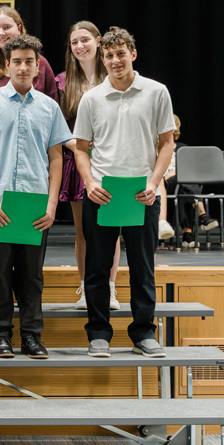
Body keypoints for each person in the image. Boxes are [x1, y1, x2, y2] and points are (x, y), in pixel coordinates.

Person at [0, 35, 71, 360]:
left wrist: (52, 204)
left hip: (36, 204)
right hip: (0, 204)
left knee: (32, 275)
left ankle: (32, 336)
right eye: (17, 61)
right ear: (7, 65)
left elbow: (56, 157)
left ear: (37, 66)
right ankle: (1, 336)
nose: (23, 66)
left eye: (29, 61)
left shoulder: (49, 107)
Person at [74, 27, 175, 358]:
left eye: (121, 54)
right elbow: (81, 148)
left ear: (133, 54)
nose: (115, 61)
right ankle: (98, 333)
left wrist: (153, 182)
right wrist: (89, 183)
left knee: (143, 268)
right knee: (98, 268)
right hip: (104, 193)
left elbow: (166, 143)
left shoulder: (156, 92)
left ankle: (144, 332)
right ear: (102, 60)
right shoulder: (91, 98)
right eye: (109, 55)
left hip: (141, 193)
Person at [56, 21, 121, 311]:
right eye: (74, 42)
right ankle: (84, 287)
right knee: (83, 229)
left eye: (85, 40)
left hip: (111, 162)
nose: (80, 46)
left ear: (98, 41)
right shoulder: (62, 82)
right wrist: (75, 145)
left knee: (110, 227)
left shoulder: (115, 77)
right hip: (76, 159)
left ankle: (110, 287)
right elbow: (57, 125)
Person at [0, 5, 58, 115]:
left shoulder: (41, 63)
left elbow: (52, 106)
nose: (1, 33)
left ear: (19, 29)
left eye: (6, 27)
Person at [161, 114, 219, 248]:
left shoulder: (183, 148)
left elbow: (191, 170)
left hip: (181, 183)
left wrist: (178, 173)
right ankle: (202, 217)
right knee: (185, 182)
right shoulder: (155, 148)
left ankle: (187, 234)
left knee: (184, 190)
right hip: (163, 184)